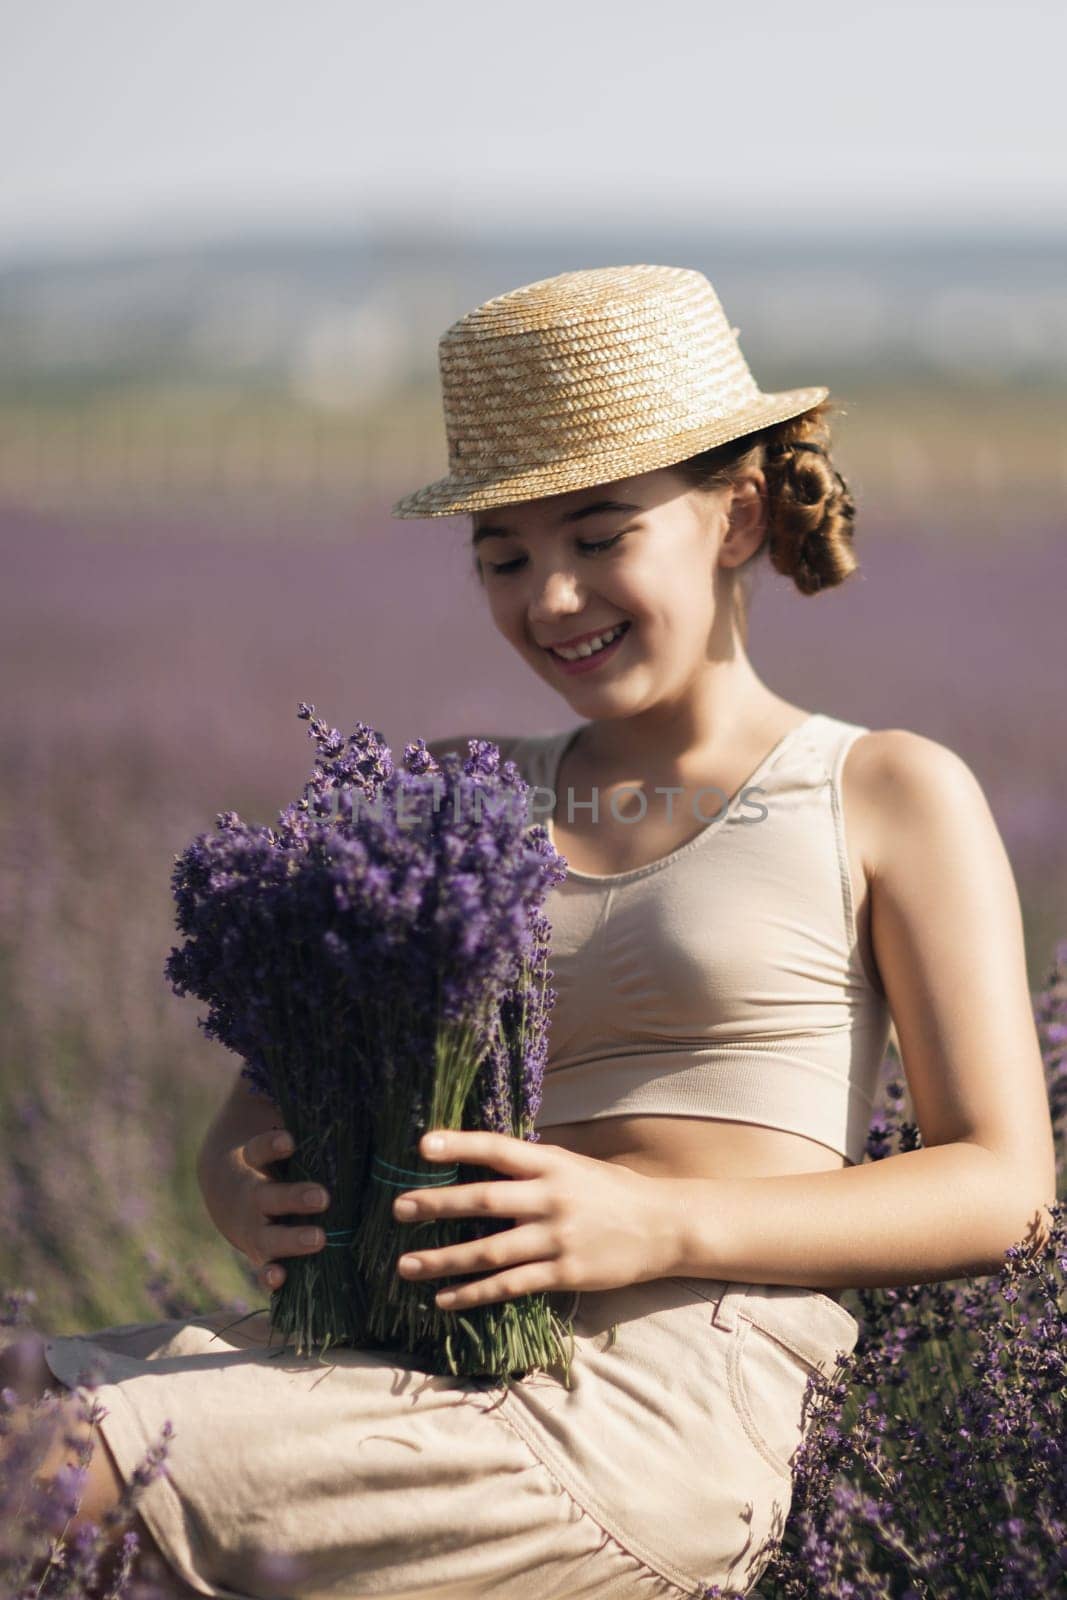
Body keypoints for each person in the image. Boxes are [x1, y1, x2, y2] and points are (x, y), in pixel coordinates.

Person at [2, 265, 1055, 1600]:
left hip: (652, 1400)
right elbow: (248, 1122)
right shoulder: (450, 790)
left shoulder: (884, 791)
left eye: (598, 536)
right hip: (391, 1353)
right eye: (504, 555)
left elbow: (1003, 1188)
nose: (550, 598)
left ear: (735, 518)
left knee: (47, 1469)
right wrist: (252, 1198)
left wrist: (654, 1224)